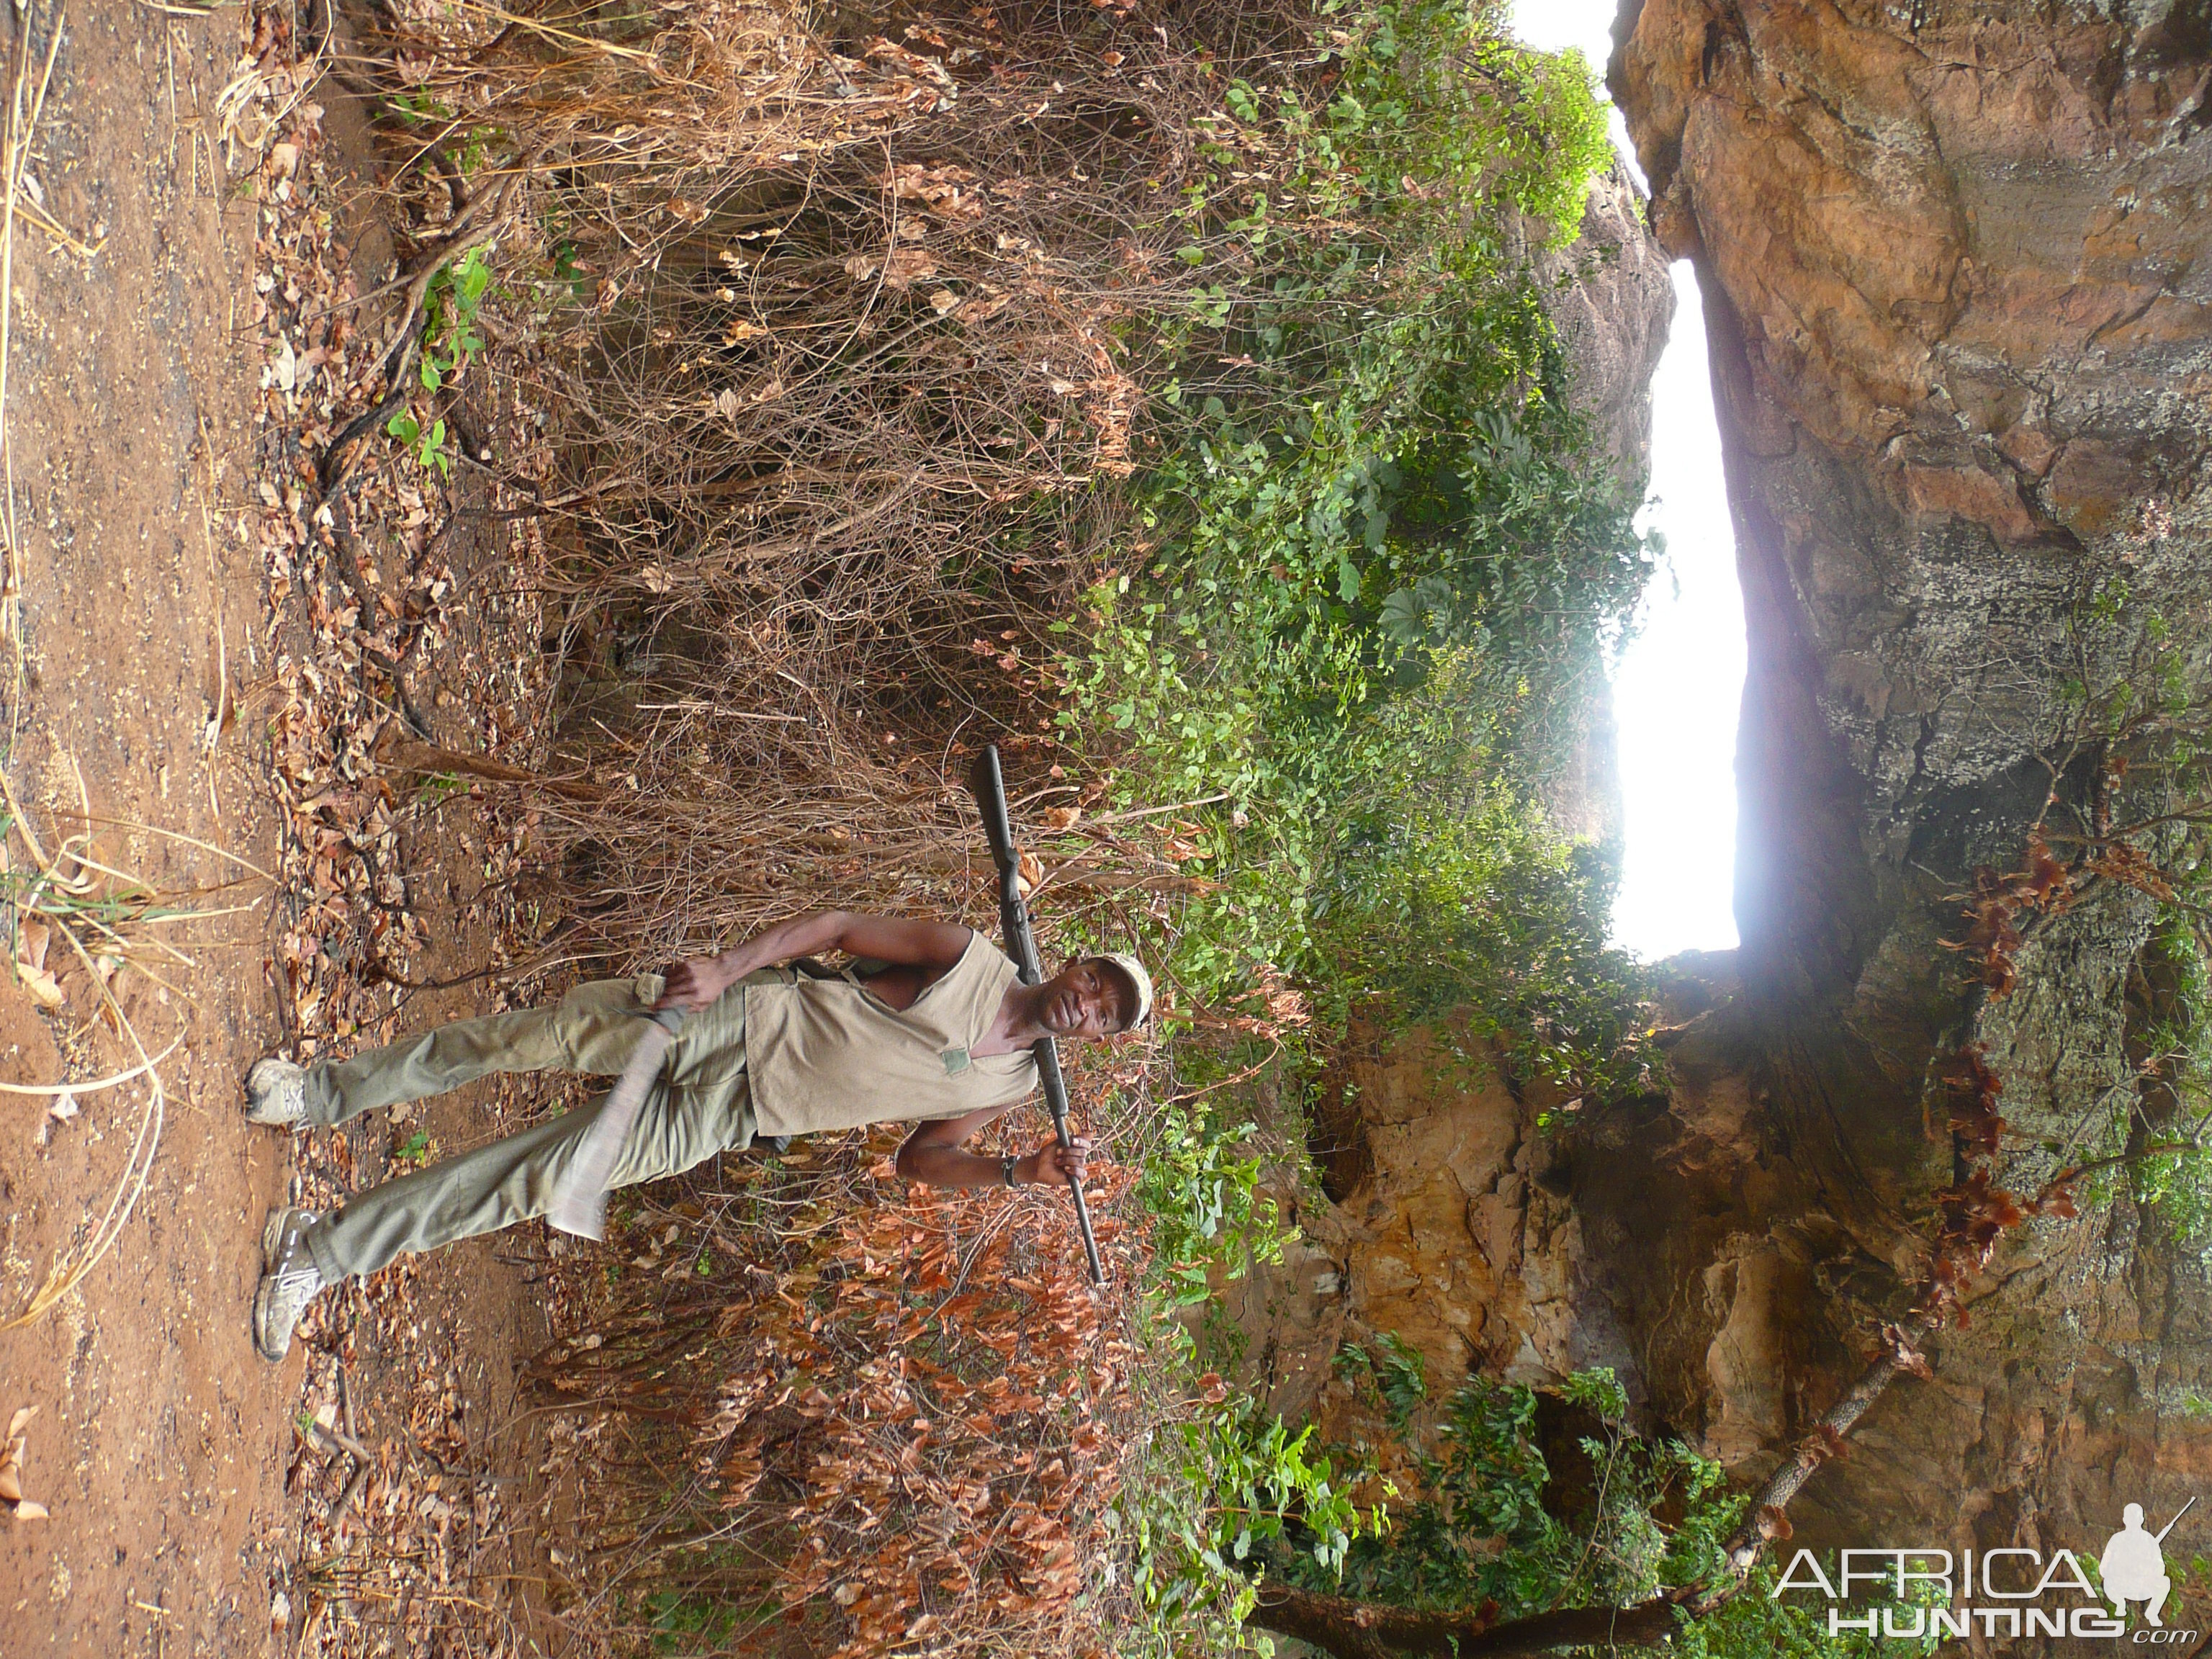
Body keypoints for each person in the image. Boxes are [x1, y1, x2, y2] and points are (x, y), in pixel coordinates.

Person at [245, 911, 1151, 1360]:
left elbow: (918, 1161)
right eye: (1098, 980)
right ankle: (320, 1092)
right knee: (530, 1039)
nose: (1091, 1003)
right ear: (1076, 962)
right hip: (736, 1021)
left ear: (1100, 1039)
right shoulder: (968, 957)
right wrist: (726, 967)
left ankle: (318, 1254)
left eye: (1107, 1015)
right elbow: (837, 926)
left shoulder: (1015, 1084)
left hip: (736, 1116)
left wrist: (1015, 1171)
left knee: (536, 1181)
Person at [2099, 1503, 2172, 1626]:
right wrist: (2119, 1568)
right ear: (2125, 1520)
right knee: (2108, 1582)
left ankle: (2153, 1613)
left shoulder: (2150, 1541)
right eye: (2130, 1517)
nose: (2134, 1520)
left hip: (2142, 1583)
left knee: (2165, 1582)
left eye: (2137, 1517)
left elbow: (2160, 1566)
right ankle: (2120, 1604)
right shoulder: (2117, 1539)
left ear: (2142, 1519)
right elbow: (2104, 1567)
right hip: (2121, 1583)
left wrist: (2148, 1569)